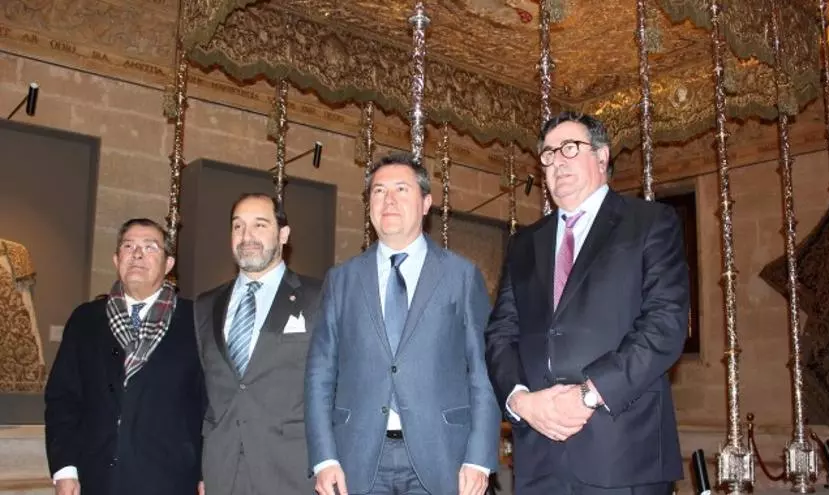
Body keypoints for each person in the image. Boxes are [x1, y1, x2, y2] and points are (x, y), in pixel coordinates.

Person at [485, 112, 690, 495]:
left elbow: (665, 324)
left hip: (622, 450)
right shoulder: (524, 243)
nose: (556, 161)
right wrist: (520, 401)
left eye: (569, 148)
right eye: (548, 154)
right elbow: (501, 333)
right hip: (538, 456)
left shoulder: (649, 222)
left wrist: (589, 394)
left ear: (601, 156)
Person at [306, 152, 501, 495]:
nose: (389, 200)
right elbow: (319, 373)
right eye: (379, 191)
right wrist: (324, 459)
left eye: (401, 189)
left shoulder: (461, 276)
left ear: (426, 203)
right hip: (357, 459)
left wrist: (479, 458)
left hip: (444, 457)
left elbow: (483, 372)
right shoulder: (342, 280)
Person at [45, 218, 205, 495]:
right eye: (128, 246)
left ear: (168, 264)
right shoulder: (85, 320)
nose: (137, 254)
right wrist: (65, 469)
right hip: (96, 478)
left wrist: (206, 472)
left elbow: (209, 405)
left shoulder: (196, 321)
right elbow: (63, 399)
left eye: (150, 247)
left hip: (170, 480)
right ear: (116, 259)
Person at [195, 193, 322, 495]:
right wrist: (202, 470)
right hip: (222, 471)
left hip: (293, 472)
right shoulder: (205, 305)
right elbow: (204, 391)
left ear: (284, 234)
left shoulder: (318, 297)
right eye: (238, 226)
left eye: (259, 225)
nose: (246, 236)